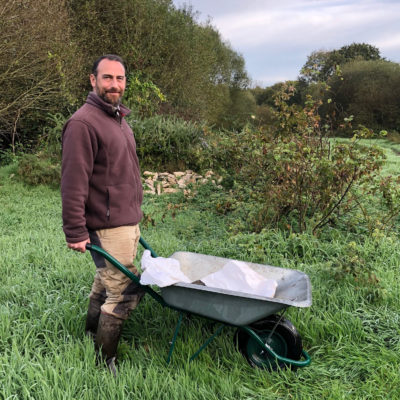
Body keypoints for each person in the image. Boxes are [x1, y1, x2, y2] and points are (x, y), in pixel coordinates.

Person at [61, 54, 144, 375]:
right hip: (107, 224)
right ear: (92, 80)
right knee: (123, 291)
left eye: (120, 78)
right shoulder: (83, 123)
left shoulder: (118, 119)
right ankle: (104, 360)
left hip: (126, 220)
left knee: (105, 281)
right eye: (107, 78)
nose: (114, 84)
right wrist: (76, 231)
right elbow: (73, 182)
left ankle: (90, 332)